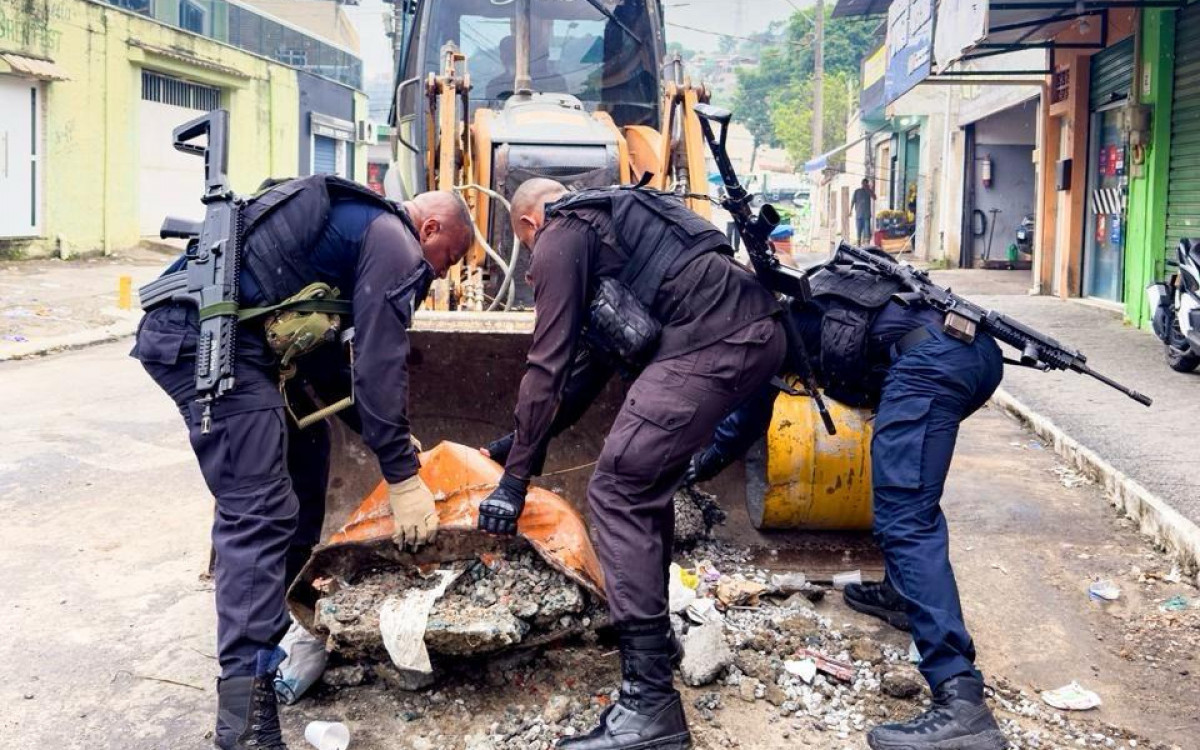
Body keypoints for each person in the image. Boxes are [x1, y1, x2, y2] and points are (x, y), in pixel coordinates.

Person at [132, 178, 474, 750]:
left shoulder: (356, 232)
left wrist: (393, 439)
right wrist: (400, 477)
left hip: (240, 342)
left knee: (307, 464)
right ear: (431, 229)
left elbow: (329, 370)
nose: (440, 275)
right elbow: (378, 364)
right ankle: (244, 722)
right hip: (204, 339)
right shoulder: (394, 240)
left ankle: (285, 636)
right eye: (448, 260)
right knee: (261, 512)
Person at [478, 178, 786, 750]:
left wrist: (514, 485)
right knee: (643, 486)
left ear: (527, 226)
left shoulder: (559, 233)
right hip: (753, 332)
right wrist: (508, 449)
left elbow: (547, 367)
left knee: (617, 491)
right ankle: (655, 638)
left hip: (713, 341)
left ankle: (650, 708)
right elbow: (584, 375)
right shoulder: (617, 220)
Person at [685, 251, 1007, 750]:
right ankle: (902, 596)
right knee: (905, 492)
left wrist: (697, 466)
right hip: (969, 351)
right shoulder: (808, 295)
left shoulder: (768, 322)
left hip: (932, 360)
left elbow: (747, 411)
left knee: (907, 514)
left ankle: (961, 700)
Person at [853, 178, 876, 245]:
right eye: (863, 184)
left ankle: (867, 245)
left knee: (867, 232)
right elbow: (853, 201)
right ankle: (858, 245)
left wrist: (869, 190)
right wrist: (850, 211)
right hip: (859, 215)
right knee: (858, 231)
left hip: (866, 216)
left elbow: (874, 198)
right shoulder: (857, 191)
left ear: (867, 184)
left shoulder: (869, 191)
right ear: (861, 184)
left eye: (866, 184)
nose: (864, 185)